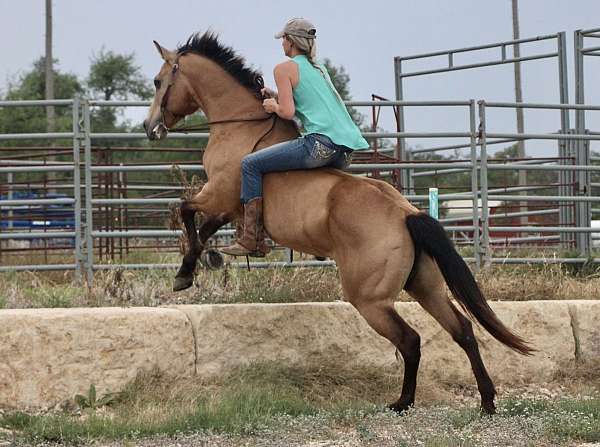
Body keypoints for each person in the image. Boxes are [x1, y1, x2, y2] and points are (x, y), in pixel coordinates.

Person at [221, 17, 369, 257]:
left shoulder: (283, 68)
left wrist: (272, 105)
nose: (282, 44)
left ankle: (251, 239)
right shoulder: (318, 68)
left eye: (283, 40)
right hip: (345, 151)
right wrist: (278, 94)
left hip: (319, 146)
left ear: (290, 41)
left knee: (250, 164)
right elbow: (309, 100)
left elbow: (288, 113)